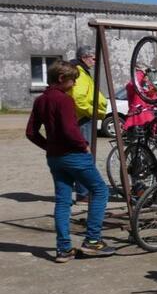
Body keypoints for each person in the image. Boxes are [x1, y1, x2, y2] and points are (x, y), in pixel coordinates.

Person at [26, 60, 115, 262]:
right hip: (74, 155)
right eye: (73, 80)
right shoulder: (64, 100)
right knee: (100, 190)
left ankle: (63, 249)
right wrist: (83, 145)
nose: (74, 84)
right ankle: (92, 241)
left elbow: (31, 132)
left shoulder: (40, 100)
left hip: (55, 158)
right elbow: (69, 130)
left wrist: (48, 146)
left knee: (63, 201)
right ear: (61, 79)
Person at [69, 45, 108, 204]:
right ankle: (83, 193)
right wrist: (93, 111)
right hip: (83, 118)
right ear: (85, 57)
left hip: (85, 117)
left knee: (84, 154)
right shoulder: (79, 72)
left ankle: (83, 191)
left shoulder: (82, 71)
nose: (95, 61)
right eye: (93, 57)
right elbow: (78, 98)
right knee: (84, 155)